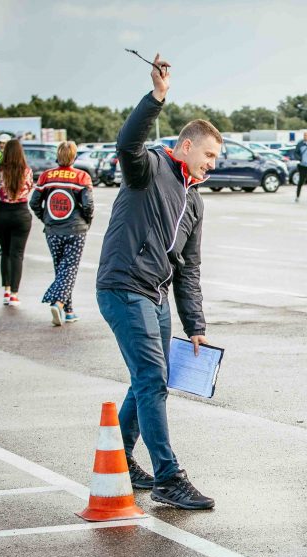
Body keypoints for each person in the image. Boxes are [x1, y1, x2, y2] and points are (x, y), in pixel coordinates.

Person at [96, 54, 222, 510]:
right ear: (186, 146)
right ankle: (169, 477)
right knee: (152, 380)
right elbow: (127, 141)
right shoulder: (148, 168)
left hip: (157, 294)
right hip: (123, 286)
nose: (212, 164)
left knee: (148, 377)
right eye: (208, 155)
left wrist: (196, 325)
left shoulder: (195, 203)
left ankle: (125, 460)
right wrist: (157, 97)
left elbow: (189, 269)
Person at [29, 141, 94, 326]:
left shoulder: (46, 177)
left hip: (52, 230)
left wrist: (46, 218)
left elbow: (34, 203)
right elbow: (88, 205)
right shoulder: (82, 177)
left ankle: (69, 310)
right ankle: (57, 303)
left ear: (57, 156)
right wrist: (87, 221)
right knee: (70, 269)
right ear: (74, 157)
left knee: (62, 269)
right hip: (75, 229)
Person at [0, 139, 34, 306]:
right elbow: (29, 188)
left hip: (1, 213)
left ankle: (6, 290)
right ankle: (15, 294)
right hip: (21, 213)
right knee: (17, 254)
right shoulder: (27, 171)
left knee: (6, 252)